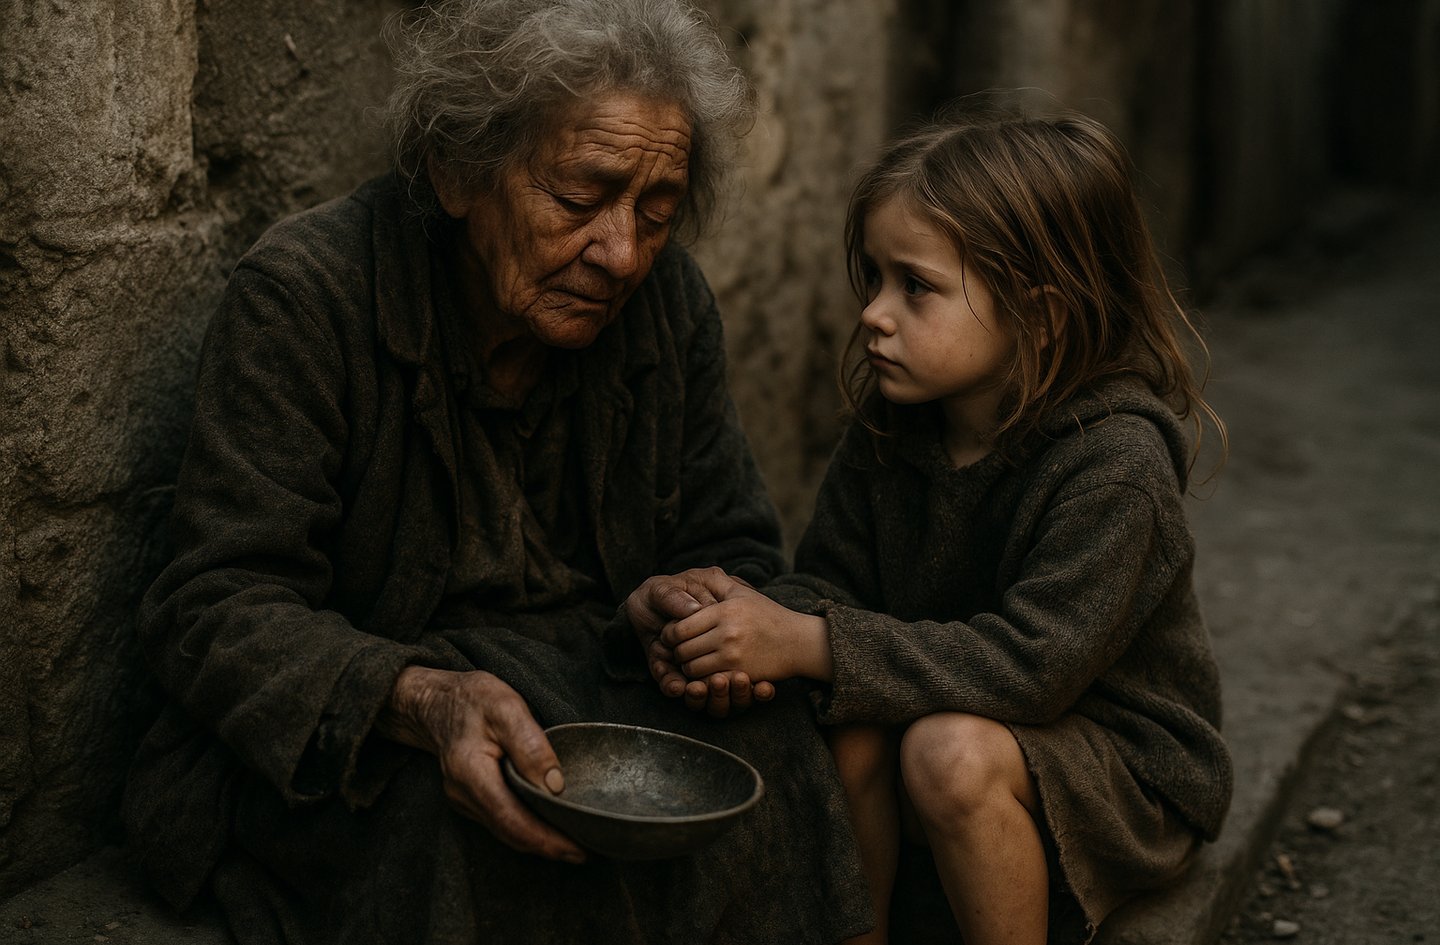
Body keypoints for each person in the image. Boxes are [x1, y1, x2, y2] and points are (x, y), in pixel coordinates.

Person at [122, 1, 871, 942]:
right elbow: (214, 604)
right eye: (579, 198)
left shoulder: (665, 301)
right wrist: (419, 699)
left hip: (587, 683)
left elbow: (735, 546)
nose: (621, 252)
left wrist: (686, 609)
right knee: (474, 824)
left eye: (656, 211)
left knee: (777, 750)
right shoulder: (306, 299)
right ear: (458, 172)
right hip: (368, 727)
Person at [655, 104, 1235, 945]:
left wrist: (808, 641)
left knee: (945, 752)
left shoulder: (1114, 464)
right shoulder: (896, 424)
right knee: (848, 723)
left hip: (1127, 774)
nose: (874, 315)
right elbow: (832, 587)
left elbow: (1034, 666)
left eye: (915, 287)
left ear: (1040, 314)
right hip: (960, 725)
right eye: (877, 277)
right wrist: (740, 622)